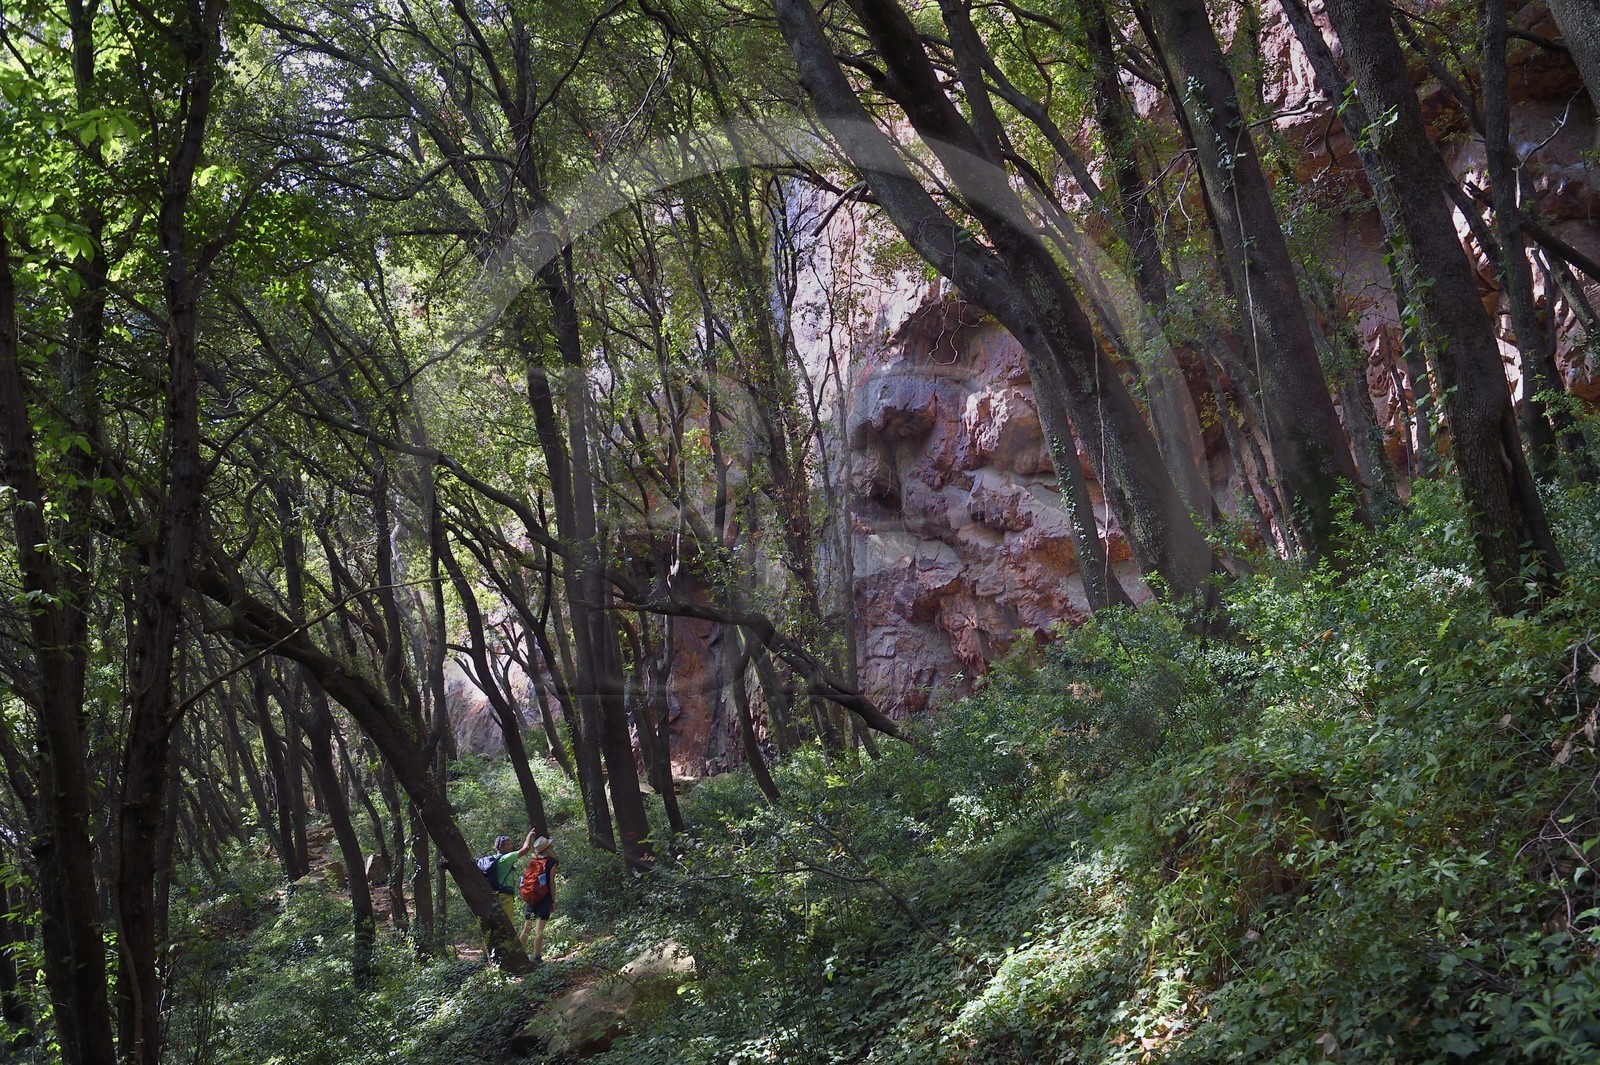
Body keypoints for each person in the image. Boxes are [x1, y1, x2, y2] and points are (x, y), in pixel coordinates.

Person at [518, 835, 557, 964]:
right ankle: (537, 957)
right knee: (539, 929)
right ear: (548, 848)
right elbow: (551, 882)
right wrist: (553, 900)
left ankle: (518, 955)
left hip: (531, 897)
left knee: (527, 928)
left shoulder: (532, 861)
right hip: (544, 897)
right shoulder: (552, 862)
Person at [490, 830, 538, 927]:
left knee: (498, 925)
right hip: (505, 897)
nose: (511, 846)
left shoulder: (494, 859)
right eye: (508, 845)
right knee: (507, 925)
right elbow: (526, 848)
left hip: (495, 896)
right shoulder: (506, 858)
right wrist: (529, 836)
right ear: (501, 847)